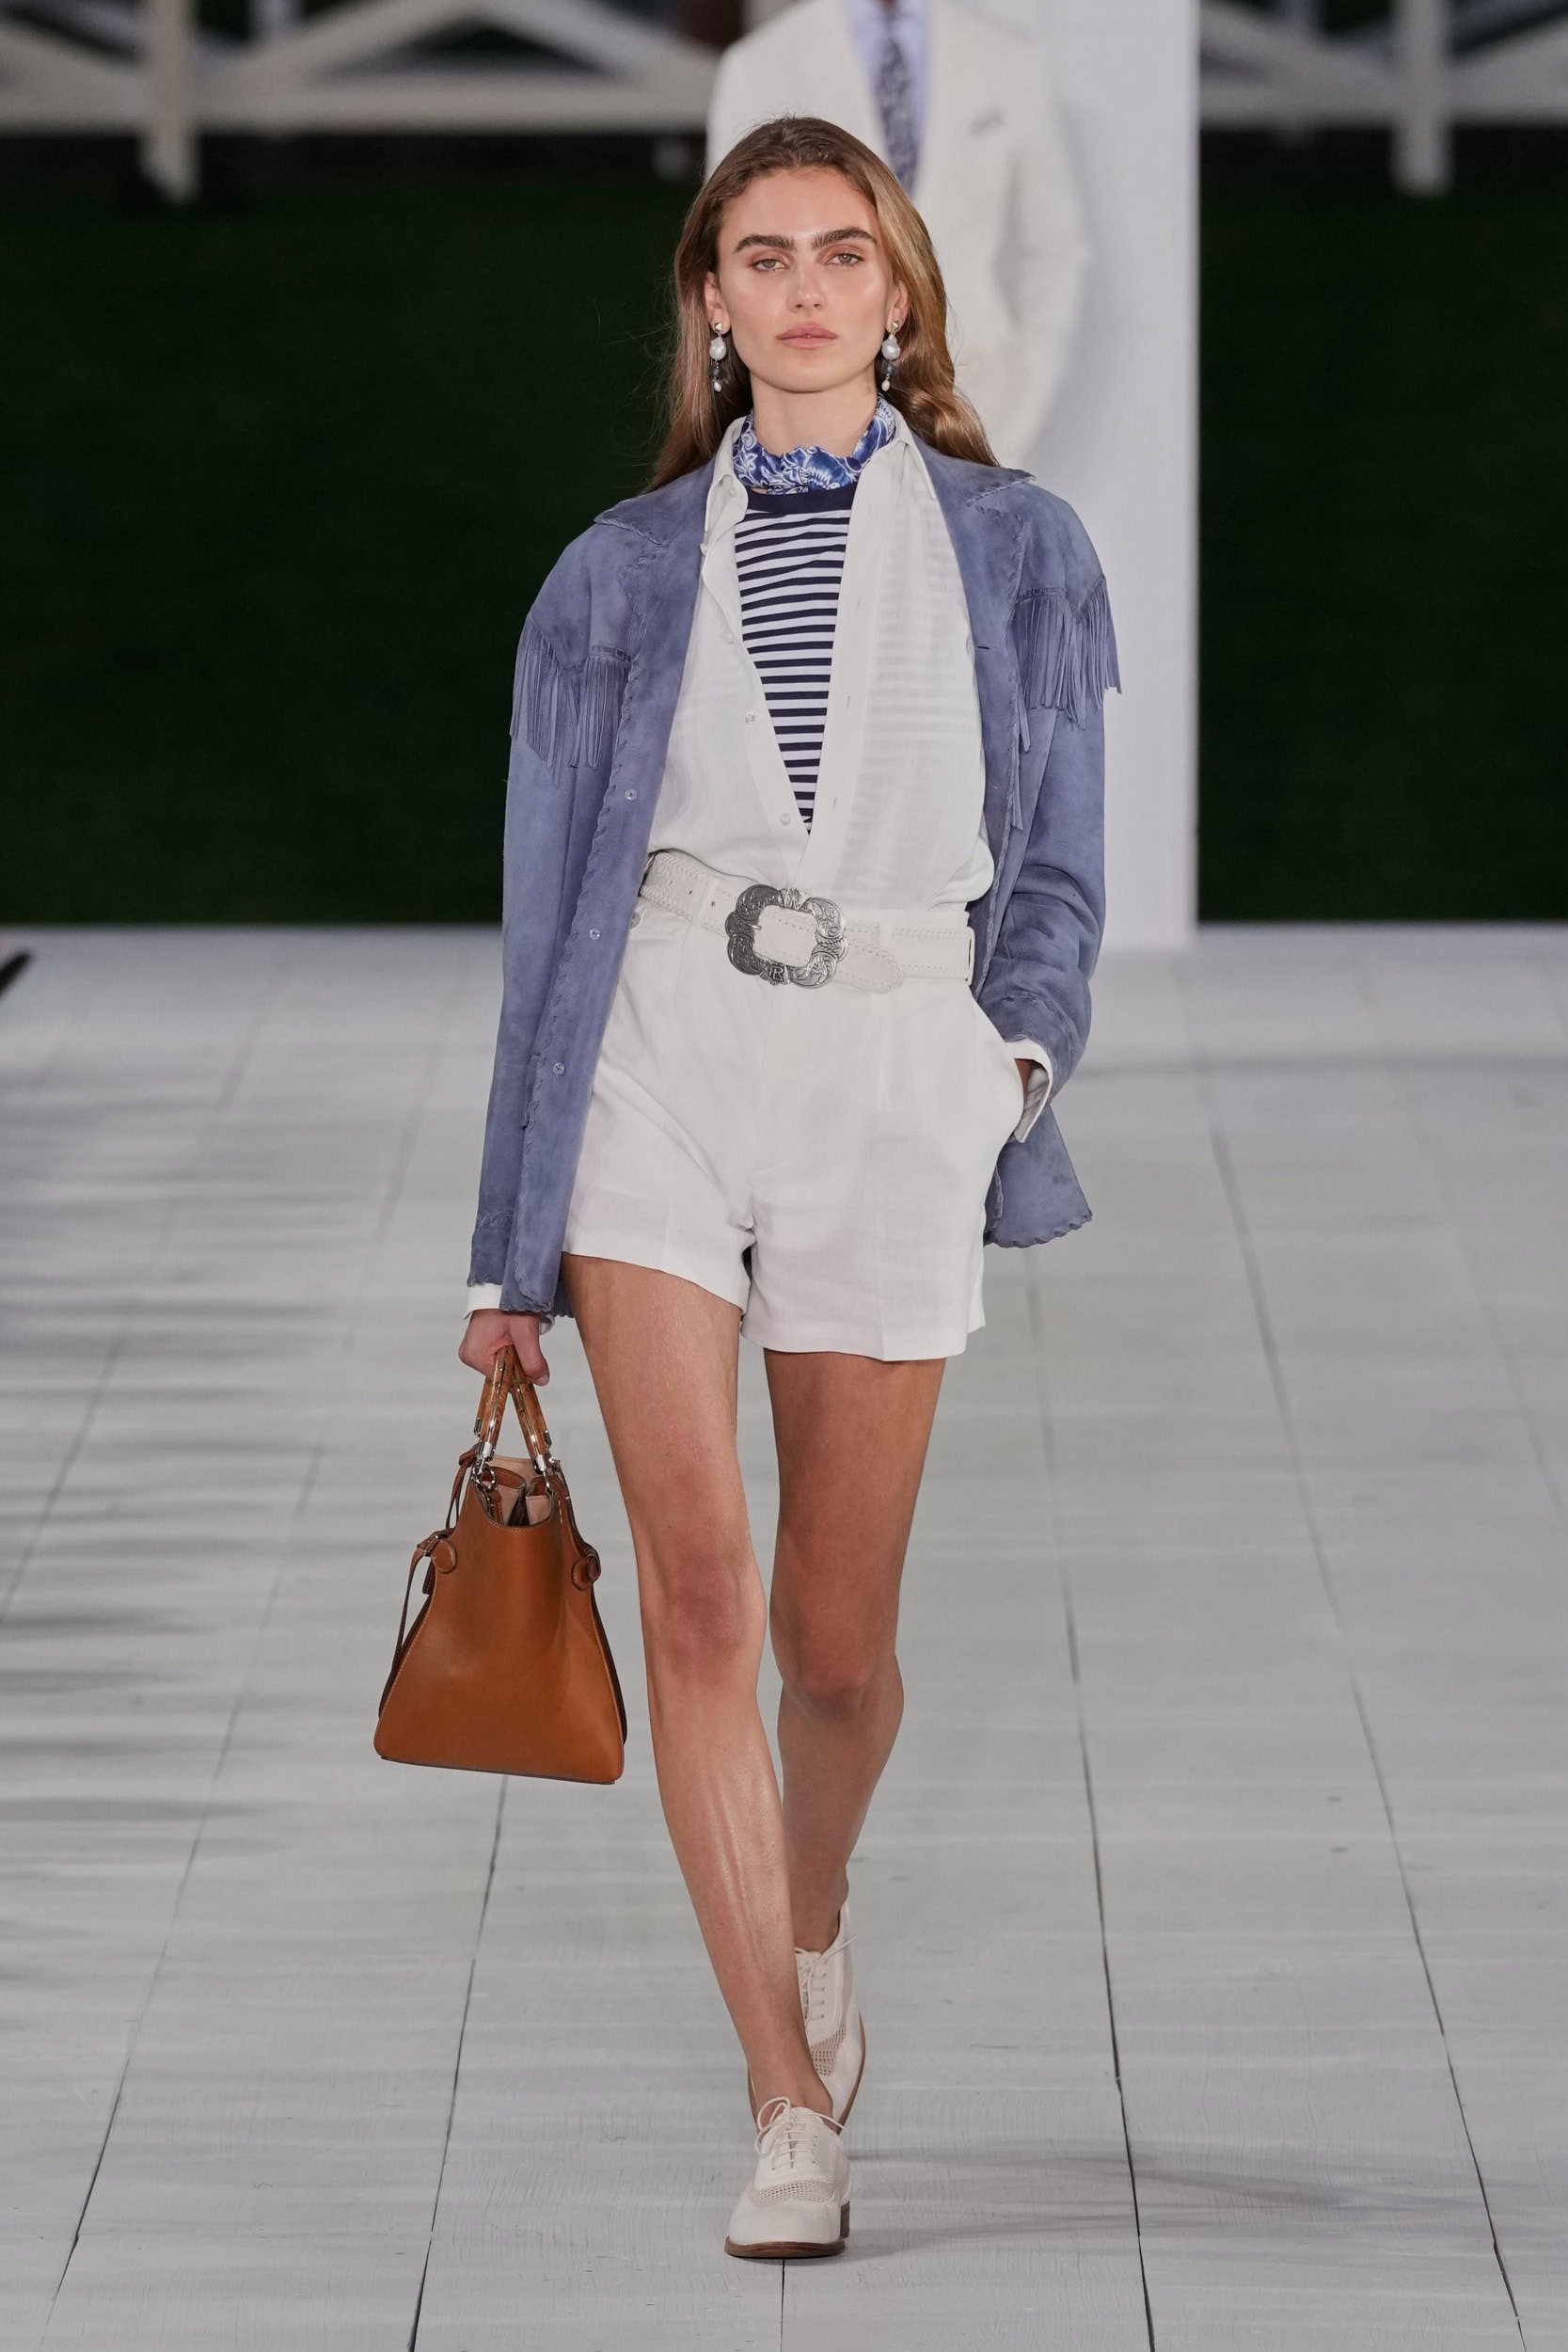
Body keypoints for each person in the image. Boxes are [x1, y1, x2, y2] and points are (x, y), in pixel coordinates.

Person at [461, 114, 1113, 2259]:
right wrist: (507, 1251)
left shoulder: (1020, 549)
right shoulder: (614, 574)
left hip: (894, 1071)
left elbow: (1059, 872)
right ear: (712, 304)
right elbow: (548, 922)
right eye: (764, 256)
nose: (808, 288)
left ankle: (809, 1915)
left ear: (899, 292)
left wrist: (1004, 1068)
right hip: (659, 1056)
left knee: (837, 1647)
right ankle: (782, 2102)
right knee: (700, 1599)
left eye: (845, 252)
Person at [707, 0, 1085, 464]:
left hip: (985, 401)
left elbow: (1055, 245)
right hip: (809, 421)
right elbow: (727, 243)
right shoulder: (758, 65)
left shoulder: (1008, 58)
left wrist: (1029, 386)